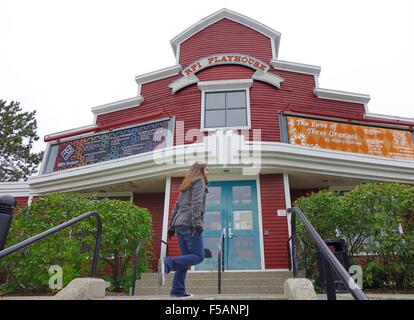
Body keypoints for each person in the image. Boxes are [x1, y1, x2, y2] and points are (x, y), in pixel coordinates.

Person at [158, 161, 209, 297]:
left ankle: (177, 290)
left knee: (185, 260)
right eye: (207, 170)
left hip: (179, 224)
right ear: (201, 171)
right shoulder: (199, 181)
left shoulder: (187, 183)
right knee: (198, 256)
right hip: (189, 224)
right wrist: (197, 223)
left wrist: (171, 227)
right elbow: (196, 203)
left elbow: (177, 206)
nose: (208, 172)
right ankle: (167, 263)